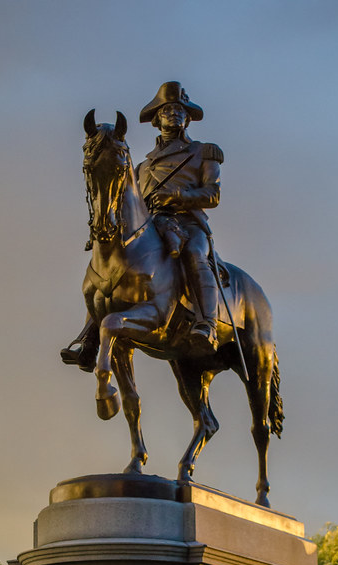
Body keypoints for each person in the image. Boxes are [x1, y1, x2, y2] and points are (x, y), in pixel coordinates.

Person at [61, 82, 223, 371]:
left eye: (179, 109)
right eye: (167, 110)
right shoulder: (142, 167)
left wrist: (176, 195)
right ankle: (89, 340)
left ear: (187, 118)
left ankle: (207, 324)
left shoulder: (203, 152)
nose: (173, 113)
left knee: (194, 255)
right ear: (156, 118)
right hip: (151, 226)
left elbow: (212, 195)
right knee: (110, 266)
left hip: (188, 224)